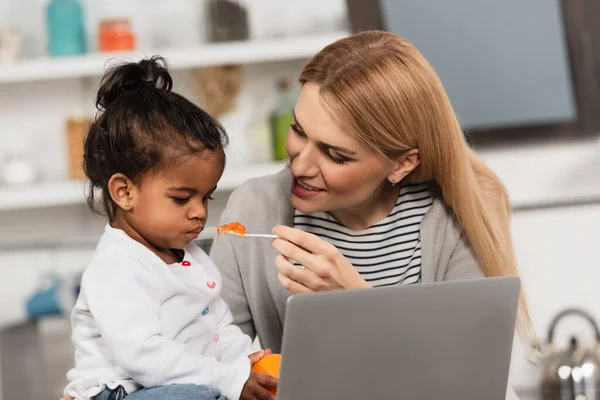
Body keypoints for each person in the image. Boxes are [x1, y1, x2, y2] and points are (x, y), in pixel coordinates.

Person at [210, 31, 535, 399]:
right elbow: (207, 356)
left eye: (336, 155)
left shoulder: (456, 219)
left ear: (401, 163)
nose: (300, 165)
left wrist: (359, 306)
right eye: (299, 130)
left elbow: (471, 385)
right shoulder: (252, 209)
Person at [64, 57, 277, 400]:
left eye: (206, 197)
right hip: (122, 392)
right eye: (181, 199)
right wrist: (230, 379)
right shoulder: (118, 267)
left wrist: (245, 364)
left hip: (173, 386)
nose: (199, 213)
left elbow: (218, 327)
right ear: (125, 192)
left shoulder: (191, 258)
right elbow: (144, 357)